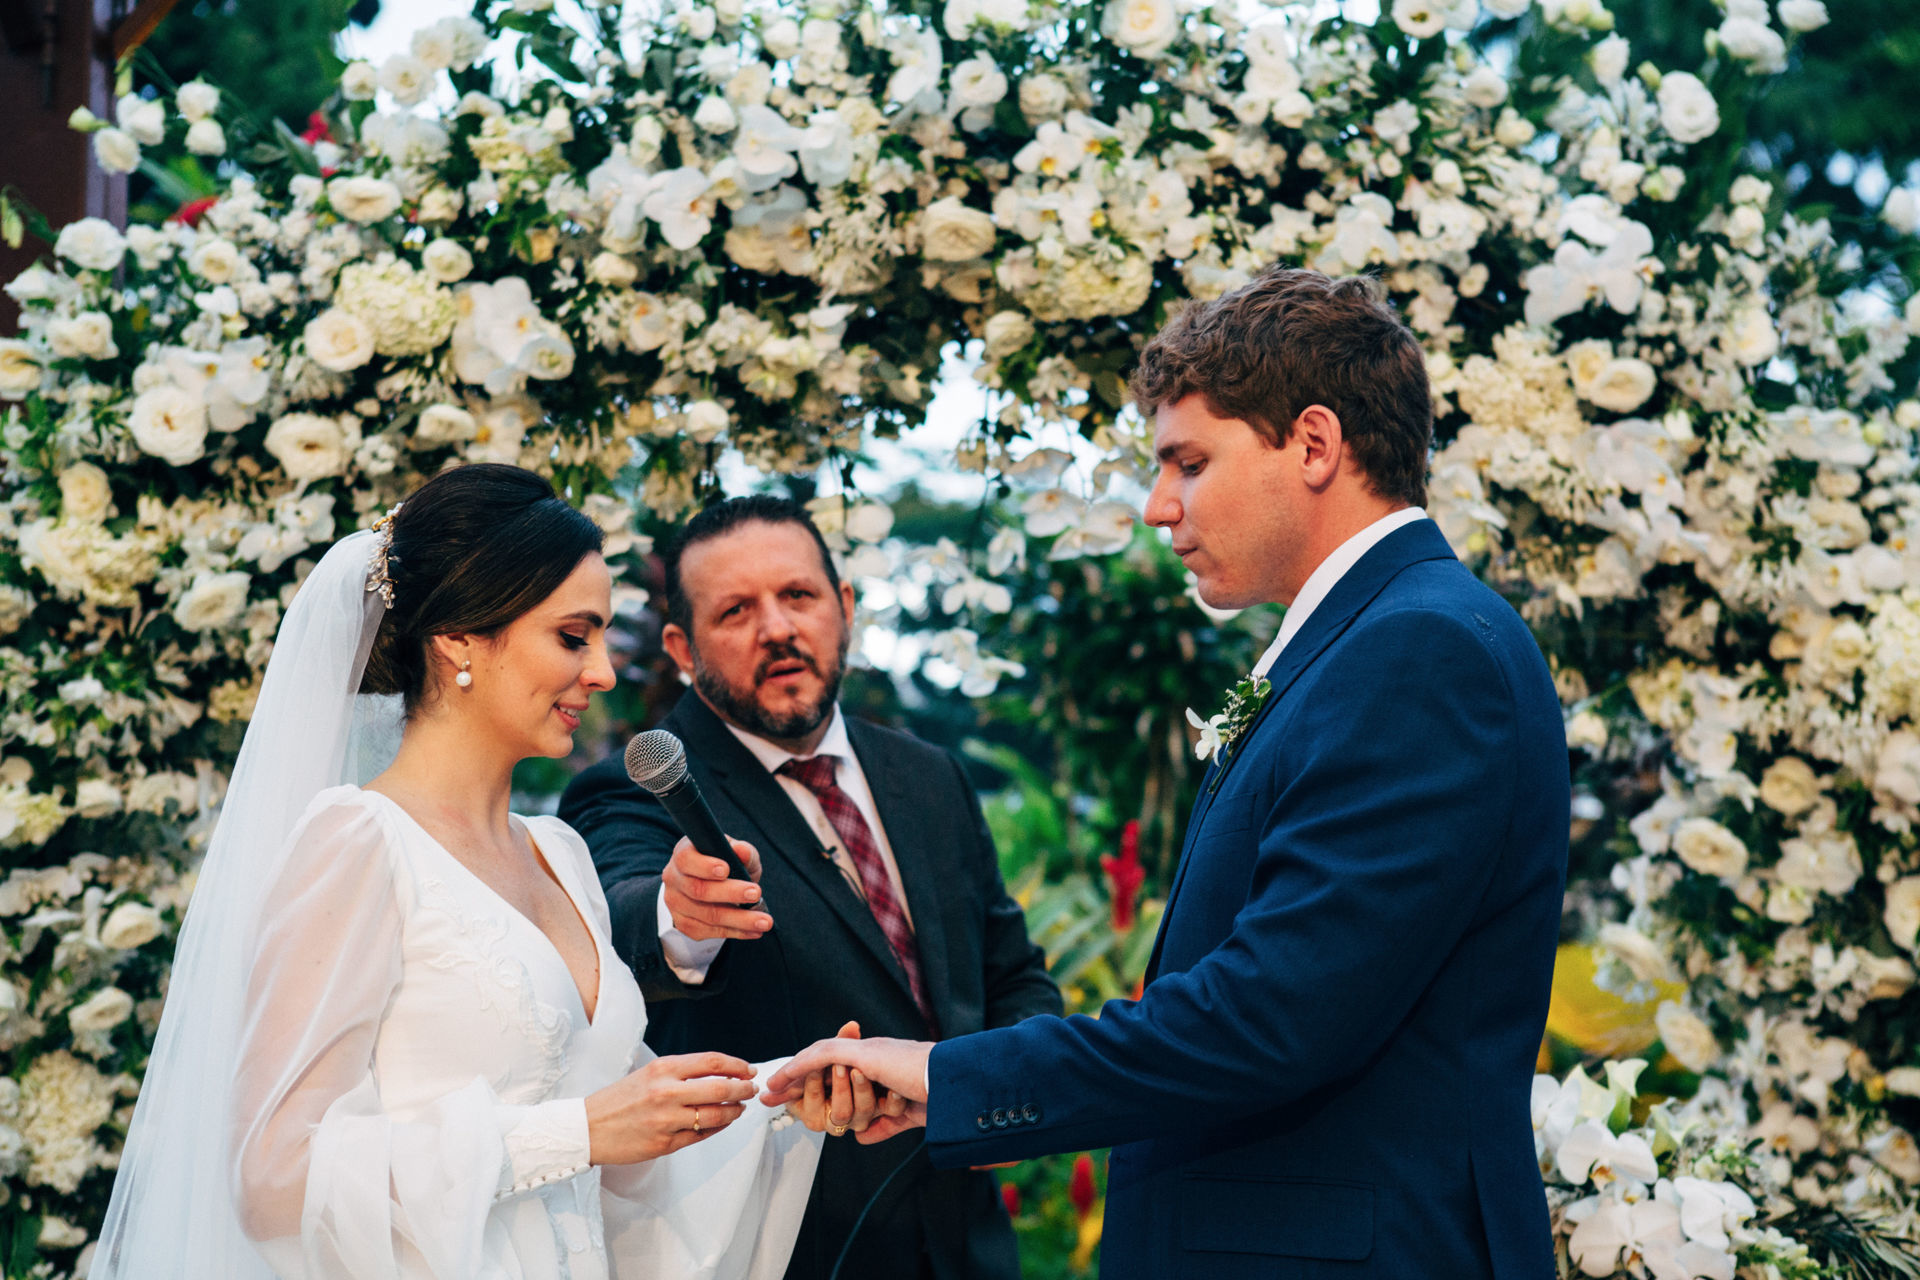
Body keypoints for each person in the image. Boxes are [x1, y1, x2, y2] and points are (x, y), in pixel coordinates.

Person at [764, 268, 1571, 1279]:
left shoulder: (1419, 652)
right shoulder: (1369, 640)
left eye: (1189, 462)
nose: (1158, 508)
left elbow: (1270, 1015)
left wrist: (954, 1074)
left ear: (1313, 445)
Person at [89, 464, 878, 1280]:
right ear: (459, 637)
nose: (604, 672)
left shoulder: (559, 854)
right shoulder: (358, 841)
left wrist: (783, 1094)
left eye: (603, 638)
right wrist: (576, 1134)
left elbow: (623, 1153)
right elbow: (275, 1178)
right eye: (572, 637)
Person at [559, 496, 1063, 1280]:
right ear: (681, 648)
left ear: (845, 607)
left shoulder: (929, 775)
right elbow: (624, 919)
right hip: (786, 1249)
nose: (777, 628)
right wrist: (681, 914)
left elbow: (1011, 974)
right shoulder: (635, 790)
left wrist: (1001, 1100)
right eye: (735, 611)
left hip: (969, 1245)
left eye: (798, 595)